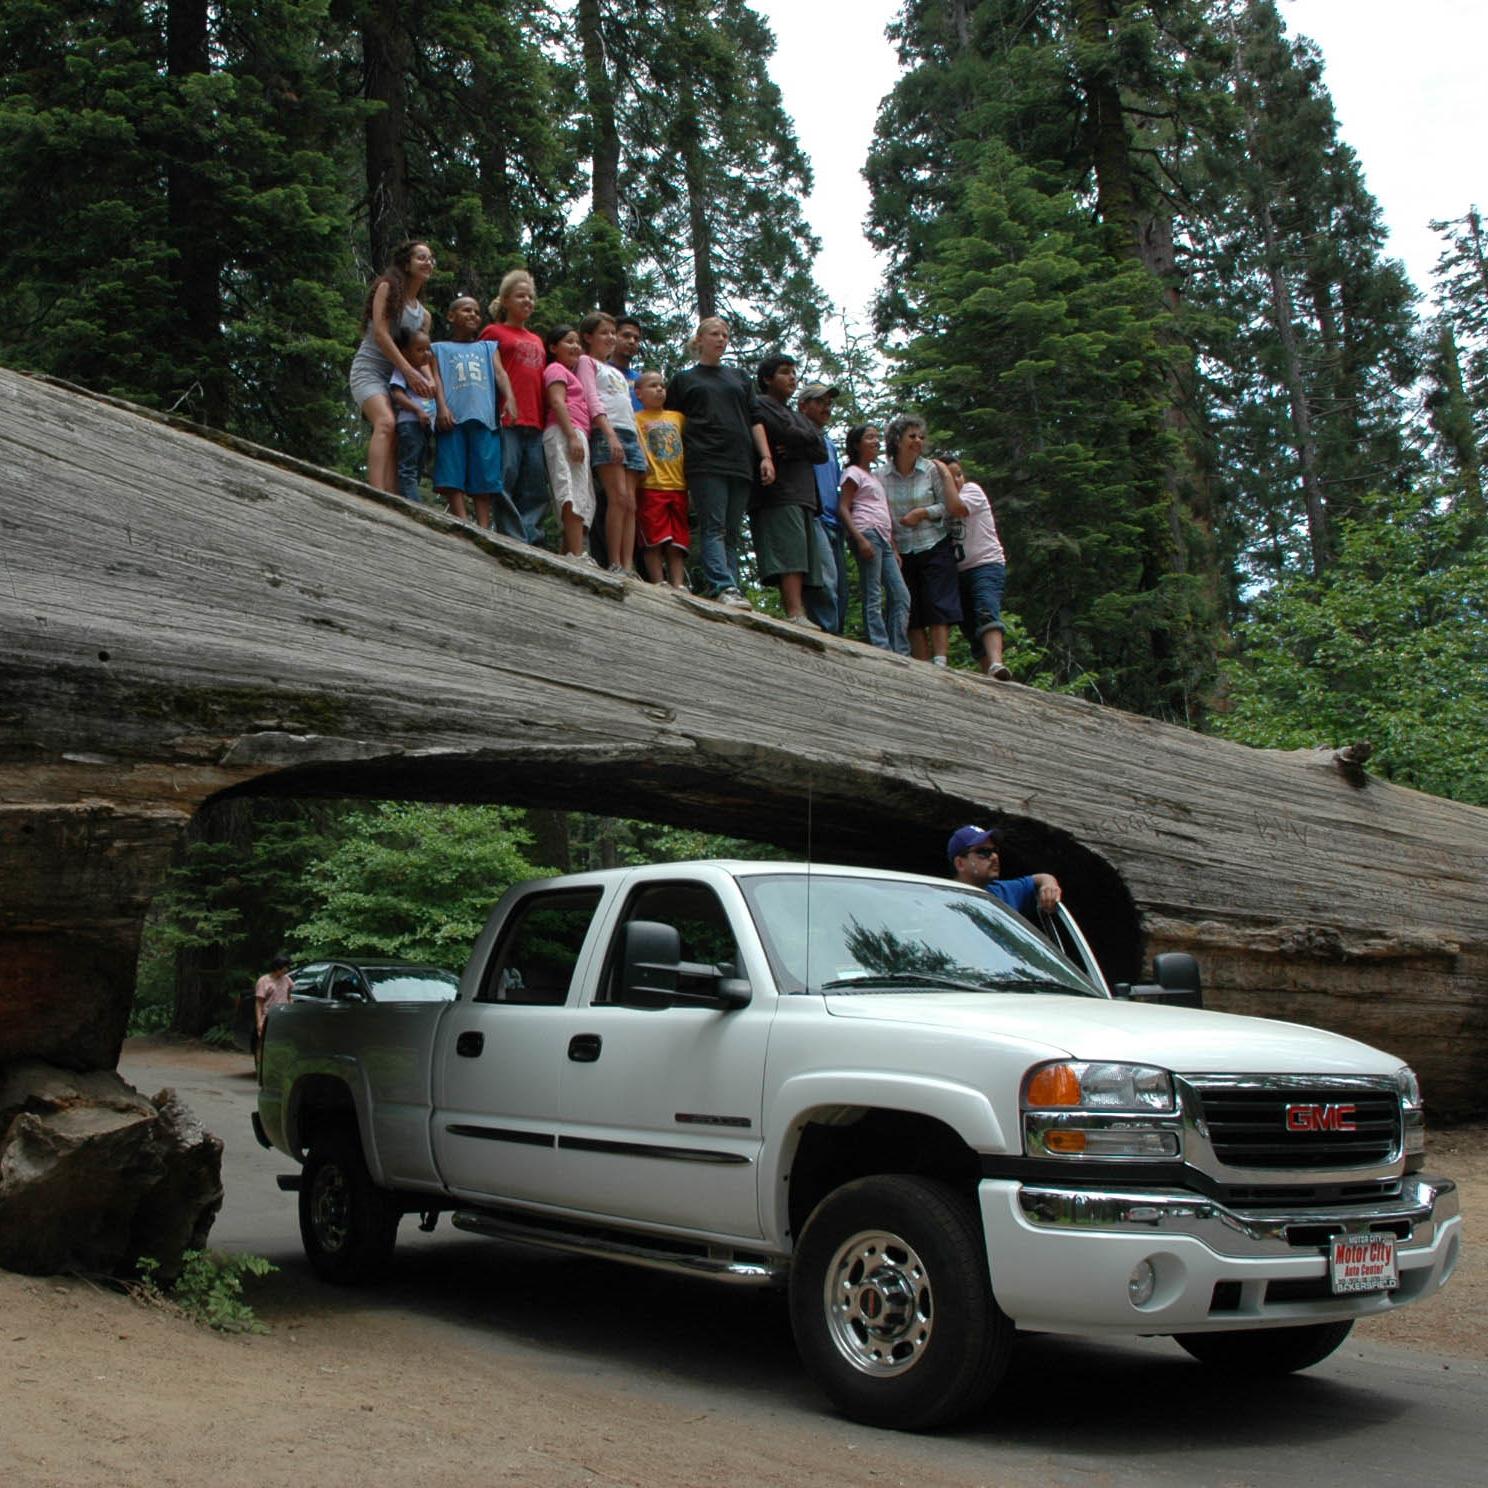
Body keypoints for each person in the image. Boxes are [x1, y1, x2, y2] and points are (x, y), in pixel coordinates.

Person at [665, 316, 775, 608]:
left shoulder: (739, 377)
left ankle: (732, 587)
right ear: (699, 339)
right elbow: (672, 425)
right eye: (714, 334)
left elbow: (755, 420)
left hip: (740, 462)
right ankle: (722, 585)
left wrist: (765, 456)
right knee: (714, 526)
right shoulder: (685, 380)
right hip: (705, 460)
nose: (721, 339)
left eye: (725, 335)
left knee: (732, 531)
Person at [348, 240, 435, 494]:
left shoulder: (423, 315)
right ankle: (376, 494)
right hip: (370, 370)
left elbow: (421, 356)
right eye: (421, 257)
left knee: (400, 432)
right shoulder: (386, 288)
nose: (427, 262)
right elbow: (381, 335)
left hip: (399, 378)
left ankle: (393, 496)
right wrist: (408, 371)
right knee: (385, 422)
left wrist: (429, 382)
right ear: (406, 263)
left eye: (431, 259)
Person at [878, 414, 965, 666]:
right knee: (910, 607)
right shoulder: (881, 476)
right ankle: (921, 665)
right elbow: (879, 514)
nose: (918, 441)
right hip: (901, 550)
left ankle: (940, 661)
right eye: (912, 436)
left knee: (939, 603)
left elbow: (947, 506)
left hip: (934, 543)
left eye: (921, 437)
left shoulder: (931, 470)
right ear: (897, 440)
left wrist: (923, 513)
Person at [751, 354, 832, 627]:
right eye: (785, 372)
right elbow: (779, 430)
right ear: (767, 379)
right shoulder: (761, 404)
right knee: (790, 555)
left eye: (794, 373)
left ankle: (802, 613)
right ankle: (795, 613)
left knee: (806, 559)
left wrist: (796, 446)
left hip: (804, 495)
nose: (792, 378)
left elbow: (820, 450)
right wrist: (801, 440)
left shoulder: (796, 416)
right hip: (778, 492)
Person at [433, 295, 519, 529]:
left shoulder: (487, 347)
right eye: (466, 310)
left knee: (486, 474)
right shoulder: (438, 349)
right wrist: (441, 407)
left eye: (477, 312)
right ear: (451, 316)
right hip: (453, 417)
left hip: (484, 419)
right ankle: (461, 520)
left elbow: (500, 373)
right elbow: (436, 379)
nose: (473, 315)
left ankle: (482, 526)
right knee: (452, 469)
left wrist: (509, 397)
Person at [481, 270, 550, 545]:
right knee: (505, 477)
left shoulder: (536, 339)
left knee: (535, 486)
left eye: (531, 297)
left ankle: (531, 538)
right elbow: (492, 371)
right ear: (505, 300)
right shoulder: (493, 331)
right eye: (521, 296)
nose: (527, 301)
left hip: (536, 420)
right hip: (506, 417)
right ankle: (512, 537)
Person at [577, 312, 644, 576]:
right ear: (588, 337)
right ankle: (614, 561)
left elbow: (628, 407)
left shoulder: (615, 371)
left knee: (631, 502)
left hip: (629, 432)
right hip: (608, 430)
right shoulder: (586, 362)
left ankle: (628, 565)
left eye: (612, 333)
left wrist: (640, 444)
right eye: (604, 333)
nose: (611, 338)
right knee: (617, 498)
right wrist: (608, 433)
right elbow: (592, 399)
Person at [838, 424, 910, 654]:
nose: (875, 442)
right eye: (869, 437)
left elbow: (885, 513)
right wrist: (859, 538)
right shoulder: (853, 473)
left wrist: (894, 547)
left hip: (884, 538)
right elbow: (843, 507)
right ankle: (881, 646)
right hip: (866, 532)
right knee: (873, 592)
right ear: (857, 444)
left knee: (901, 594)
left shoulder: (874, 477)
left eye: (877, 438)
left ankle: (899, 648)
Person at [946, 457, 1013, 680]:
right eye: (950, 475)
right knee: (968, 624)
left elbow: (957, 508)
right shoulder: (938, 502)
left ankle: (996, 663)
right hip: (958, 571)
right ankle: (989, 673)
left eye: (958, 474)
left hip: (985, 564)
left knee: (986, 609)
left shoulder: (972, 491)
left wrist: (940, 470)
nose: (957, 479)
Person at [542, 323, 596, 561]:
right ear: (553, 347)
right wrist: (572, 436)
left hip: (575, 432)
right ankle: (576, 553)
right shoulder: (555, 369)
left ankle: (568, 553)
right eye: (569, 341)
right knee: (571, 491)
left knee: (581, 493)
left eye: (577, 342)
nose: (576, 347)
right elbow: (557, 402)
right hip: (565, 432)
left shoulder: (571, 374)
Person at [634, 370, 689, 587]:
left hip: (679, 485)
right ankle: (658, 581)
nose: (659, 389)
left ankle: (678, 584)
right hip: (651, 485)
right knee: (654, 538)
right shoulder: (635, 418)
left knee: (678, 540)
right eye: (653, 386)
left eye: (662, 386)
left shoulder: (677, 418)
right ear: (638, 393)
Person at [797, 382, 845, 634]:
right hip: (812, 514)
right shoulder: (797, 435)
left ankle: (833, 632)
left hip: (833, 519)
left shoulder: (830, 445)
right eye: (820, 402)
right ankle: (826, 633)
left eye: (829, 403)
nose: (826, 408)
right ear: (803, 406)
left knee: (836, 585)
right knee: (824, 581)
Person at [946, 825, 1061, 915]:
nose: (994, 856)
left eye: (995, 850)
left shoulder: (1003, 891)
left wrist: (1049, 886)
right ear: (960, 863)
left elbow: (1042, 878)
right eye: (983, 852)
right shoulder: (944, 902)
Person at [388, 326, 439, 504]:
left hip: (424, 427)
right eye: (419, 350)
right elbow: (397, 394)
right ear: (405, 352)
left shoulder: (424, 375)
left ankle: (410, 500)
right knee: (408, 467)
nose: (425, 354)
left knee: (418, 466)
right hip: (410, 423)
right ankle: (412, 503)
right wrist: (417, 410)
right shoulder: (404, 371)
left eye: (428, 349)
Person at [253, 953, 294, 1069]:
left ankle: (279, 1068)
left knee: (282, 1044)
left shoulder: (287, 979)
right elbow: (258, 1003)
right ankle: (262, 1069)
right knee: (264, 1045)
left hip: (284, 1017)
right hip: (268, 1017)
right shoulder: (263, 981)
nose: (287, 969)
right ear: (278, 967)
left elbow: (289, 996)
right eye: (285, 967)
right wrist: (259, 1021)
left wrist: (291, 1007)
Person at [612, 315, 645, 410]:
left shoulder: (642, 380)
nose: (632, 341)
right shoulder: (596, 370)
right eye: (626, 336)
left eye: (636, 338)